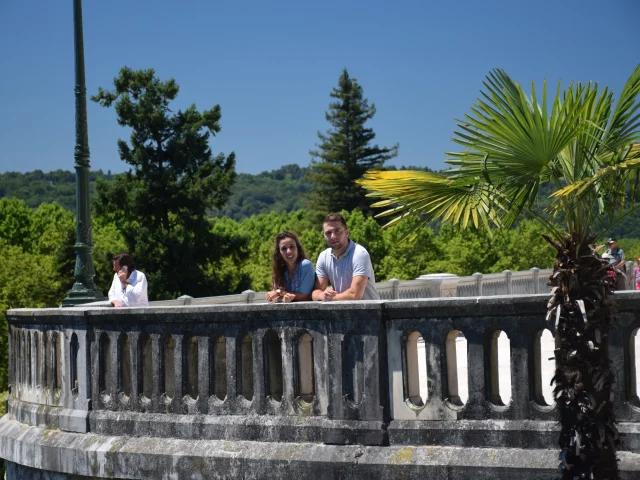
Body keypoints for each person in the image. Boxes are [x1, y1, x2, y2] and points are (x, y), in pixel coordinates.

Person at [312, 213, 380, 301]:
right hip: (342, 312)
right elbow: (315, 292)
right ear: (324, 236)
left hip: (369, 312)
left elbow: (355, 295)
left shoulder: (359, 254)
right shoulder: (323, 256)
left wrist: (331, 298)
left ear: (346, 233)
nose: (333, 236)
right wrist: (322, 295)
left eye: (337, 231)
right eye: (328, 233)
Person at [265, 232, 316, 303]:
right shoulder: (279, 269)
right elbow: (274, 297)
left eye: (292, 247)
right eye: (284, 249)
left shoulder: (305, 265)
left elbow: (305, 296)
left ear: (297, 248)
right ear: (279, 253)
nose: (289, 251)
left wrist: (280, 292)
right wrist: (282, 298)